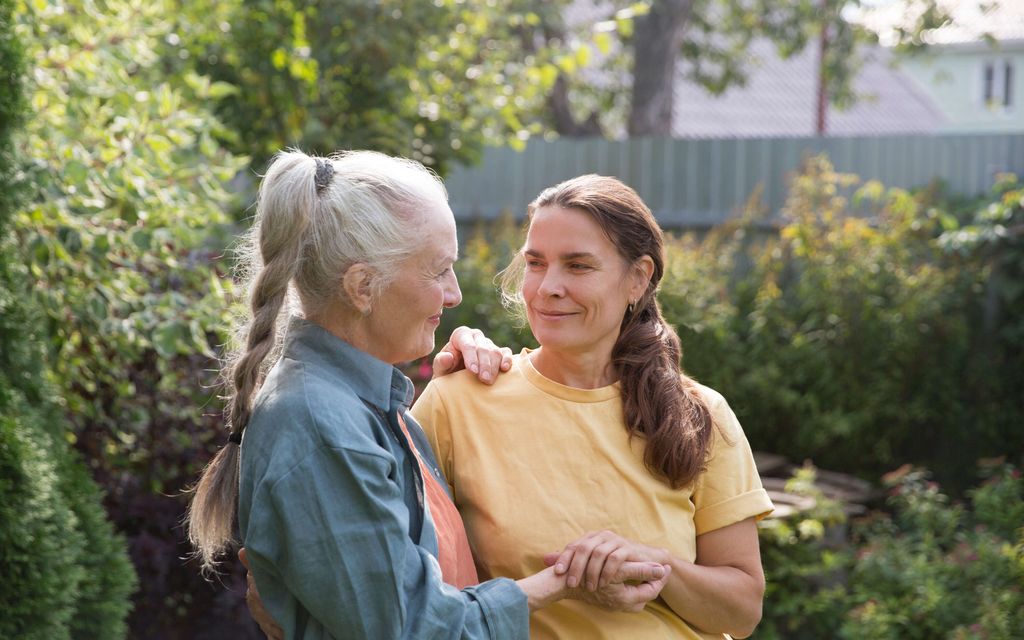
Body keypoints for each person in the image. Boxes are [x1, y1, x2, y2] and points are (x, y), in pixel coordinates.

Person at [185, 151, 671, 639]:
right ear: (362, 287)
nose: (455, 293)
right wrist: (564, 582)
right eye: (438, 270)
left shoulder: (367, 406)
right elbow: (416, 627)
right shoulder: (322, 426)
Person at [410, 174, 774, 639]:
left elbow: (741, 611)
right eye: (536, 263)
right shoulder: (458, 401)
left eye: (578, 266)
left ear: (637, 279)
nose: (548, 287)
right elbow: (408, 585)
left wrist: (657, 566)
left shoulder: (699, 412)